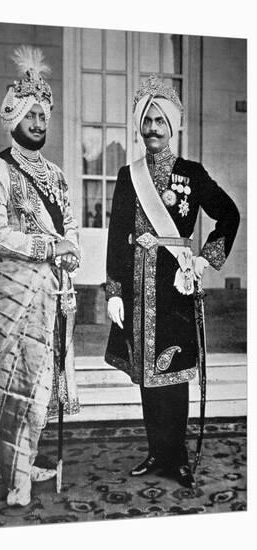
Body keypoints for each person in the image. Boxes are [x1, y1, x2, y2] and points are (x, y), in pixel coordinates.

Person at [105, 75, 239, 488]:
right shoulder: (129, 176)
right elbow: (116, 234)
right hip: (136, 286)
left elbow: (229, 216)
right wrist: (113, 291)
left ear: (174, 125)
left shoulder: (192, 174)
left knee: (173, 374)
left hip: (175, 288)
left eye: (161, 121)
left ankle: (177, 457)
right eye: (147, 121)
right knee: (147, 376)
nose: (153, 129)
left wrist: (204, 260)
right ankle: (156, 452)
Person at [0, 46, 80, 507]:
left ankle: (28, 460)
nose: (39, 123)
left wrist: (70, 249)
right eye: (31, 115)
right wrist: (46, 246)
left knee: (39, 383)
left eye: (44, 115)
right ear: (12, 117)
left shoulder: (56, 175)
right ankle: (15, 477)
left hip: (51, 294)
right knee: (11, 384)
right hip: (10, 294)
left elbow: (70, 222)